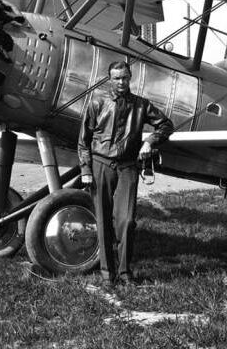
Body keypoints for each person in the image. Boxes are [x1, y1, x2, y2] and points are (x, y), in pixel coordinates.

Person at [78, 61, 173, 288]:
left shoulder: (141, 105)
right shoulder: (97, 102)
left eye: (125, 77)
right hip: (101, 165)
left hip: (128, 167)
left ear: (130, 78)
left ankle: (124, 272)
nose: (121, 82)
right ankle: (106, 274)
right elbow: (83, 141)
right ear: (109, 79)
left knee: (127, 221)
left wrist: (150, 141)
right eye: (117, 78)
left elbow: (166, 125)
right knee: (103, 220)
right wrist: (86, 170)